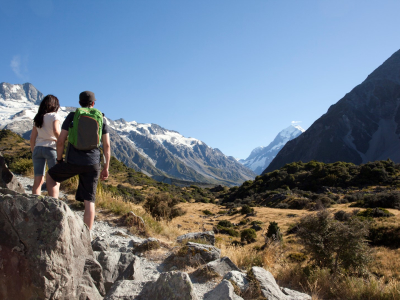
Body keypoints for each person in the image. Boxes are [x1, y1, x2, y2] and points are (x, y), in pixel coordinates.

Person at [46, 91, 110, 231]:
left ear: (79, 103)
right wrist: (106, 167)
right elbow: (107, 145)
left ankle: (55, 211)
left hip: (73, 161)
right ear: (93, 103)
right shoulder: (102, 119)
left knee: (50, 177)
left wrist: (59, 159)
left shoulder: (72, 116)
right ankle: (87, 235)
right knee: (89, 201)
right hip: (93, 163)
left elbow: (61, 141)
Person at [30, 95, 61, 195]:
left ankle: (35, 203)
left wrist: (33, 150)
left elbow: (32, 138)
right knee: (54, 179)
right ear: (55, 105)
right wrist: (60, 140)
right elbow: (56, 131)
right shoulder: (54, 116)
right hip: (51, 148)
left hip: (38, 149)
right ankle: (54, 204)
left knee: (38, 180)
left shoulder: (38, 117)